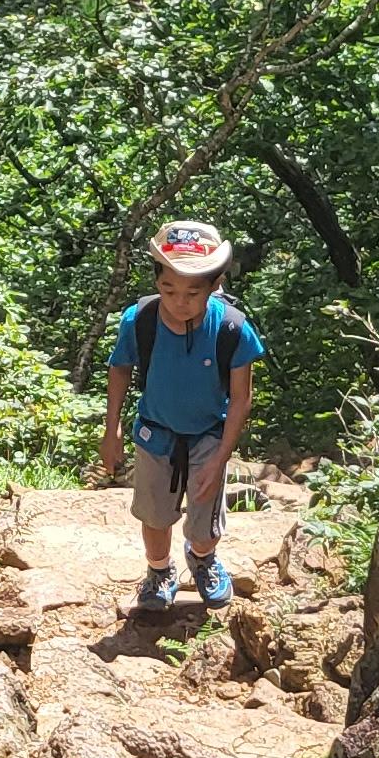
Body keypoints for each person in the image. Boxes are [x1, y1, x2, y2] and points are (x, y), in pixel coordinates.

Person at [96, 218, 264, 610]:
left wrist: (220, 461)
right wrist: (112, 429)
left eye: (193, 292)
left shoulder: (232, 329)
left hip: (209, 435)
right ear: (156, 281)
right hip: (156, 434)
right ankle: (159, 571)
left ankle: (202, 558)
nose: (179, 301)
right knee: (155, 517)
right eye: (168, 289)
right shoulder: (140, 320)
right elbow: (120, 368)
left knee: (205, 525)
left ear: (214, 285)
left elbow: (241, 398)